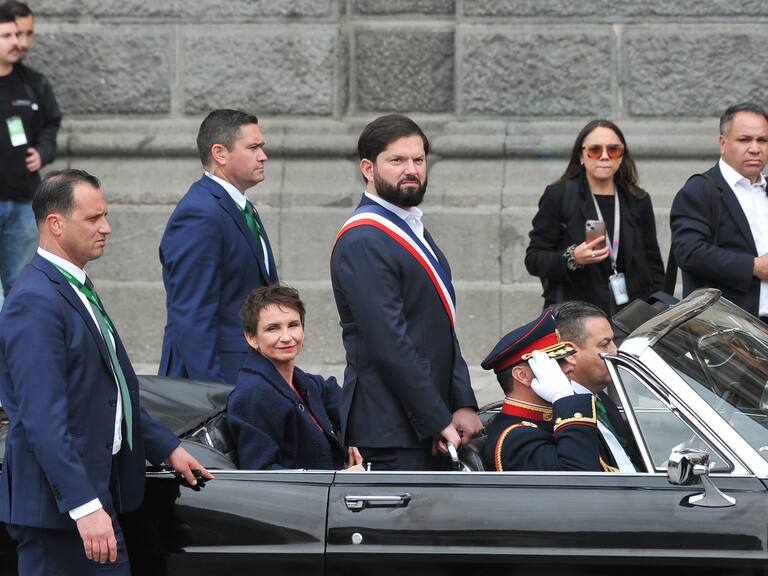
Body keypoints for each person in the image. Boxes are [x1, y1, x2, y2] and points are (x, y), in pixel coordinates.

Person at [0, 169, 212, 575]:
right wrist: (84, 506)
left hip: (93, 497)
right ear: (55, 224)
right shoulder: (35, 300)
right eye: (93, 218)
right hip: (61, 512)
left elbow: (112, 391)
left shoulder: (71, 286)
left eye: (106, 216)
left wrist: (165, 446)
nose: (107, 228)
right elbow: (43, 420)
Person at [330, 114, 482, 471]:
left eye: (418, 159)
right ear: (368, 168)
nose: (411, 170)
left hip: (428, 420)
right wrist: (435, 417)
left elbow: (439, 325)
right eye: (397, 160)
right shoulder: (364, 239)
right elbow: (389, 343)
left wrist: (462, 401)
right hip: (391, 428)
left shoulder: (410, 226)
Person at [159, 109, 278, 384]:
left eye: (262, 147)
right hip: (219, 379)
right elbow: (193, 315)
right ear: (220, 154)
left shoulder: (239, 207)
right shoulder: (199, 214)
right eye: (253, 148)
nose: (263, 156)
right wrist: (213, 393)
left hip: (249, 372)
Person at [525, 119, 664, 315]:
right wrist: (573, 258)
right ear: (581, 155)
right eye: (595, 150)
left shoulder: (638, 200)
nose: (605, 156)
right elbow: (534, 259)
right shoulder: (560, 195)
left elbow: (653, 265)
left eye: (613, 150)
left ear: (622, 155)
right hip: (577, 317)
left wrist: (657, 309)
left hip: (631, 316)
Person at [227, 285, 364, 471]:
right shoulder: (254, 394)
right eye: (272, 328)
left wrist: (354, 438)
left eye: (293, 325)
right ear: (252, 338)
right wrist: (341, 478)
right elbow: (261, 472)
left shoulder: (296, 378)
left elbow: (336, 397)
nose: (286, 337)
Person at [670, 102, 768, 320]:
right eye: (744, 140)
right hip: (725, 327)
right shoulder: (700, 190)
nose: (755, 148)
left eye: (762, 140)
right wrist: (753, 266)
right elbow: (689, 252)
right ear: (723, 143)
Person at [481, 309, 608, 472]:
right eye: (557, 362)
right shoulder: (516, 439)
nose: (571, 365)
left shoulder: (551, 418)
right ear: (522, 375)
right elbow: (581, 479)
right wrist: (563, 397)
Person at [0, 3, 61, 306]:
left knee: (18, 287)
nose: (18, 42)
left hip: (24, 202)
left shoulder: (33, 83)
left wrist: (43, 152)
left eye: (23, 34)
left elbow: (52, 123)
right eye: (8, 35)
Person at [554, 300, 644, 471]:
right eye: (604, 344)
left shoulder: (600, 398)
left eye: (612, 341)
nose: (615, 351)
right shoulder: (561, 415)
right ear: (569, 353)